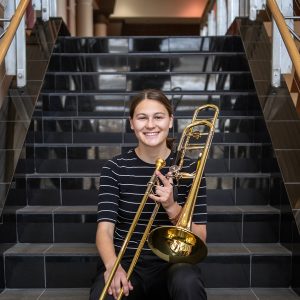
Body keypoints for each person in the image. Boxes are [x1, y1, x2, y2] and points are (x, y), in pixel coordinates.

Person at [90, 89, 207, 300]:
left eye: (159, 117)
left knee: (187, 283)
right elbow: (105, 230)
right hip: (126, 261)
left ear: (171, 121)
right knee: (106, 294)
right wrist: (112, 266)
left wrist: (171, 206)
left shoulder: (190, 170)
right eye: (142, 118)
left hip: (174, 261)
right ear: (132, 123)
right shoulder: (114, 168)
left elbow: (199, 237)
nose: (150, 125)